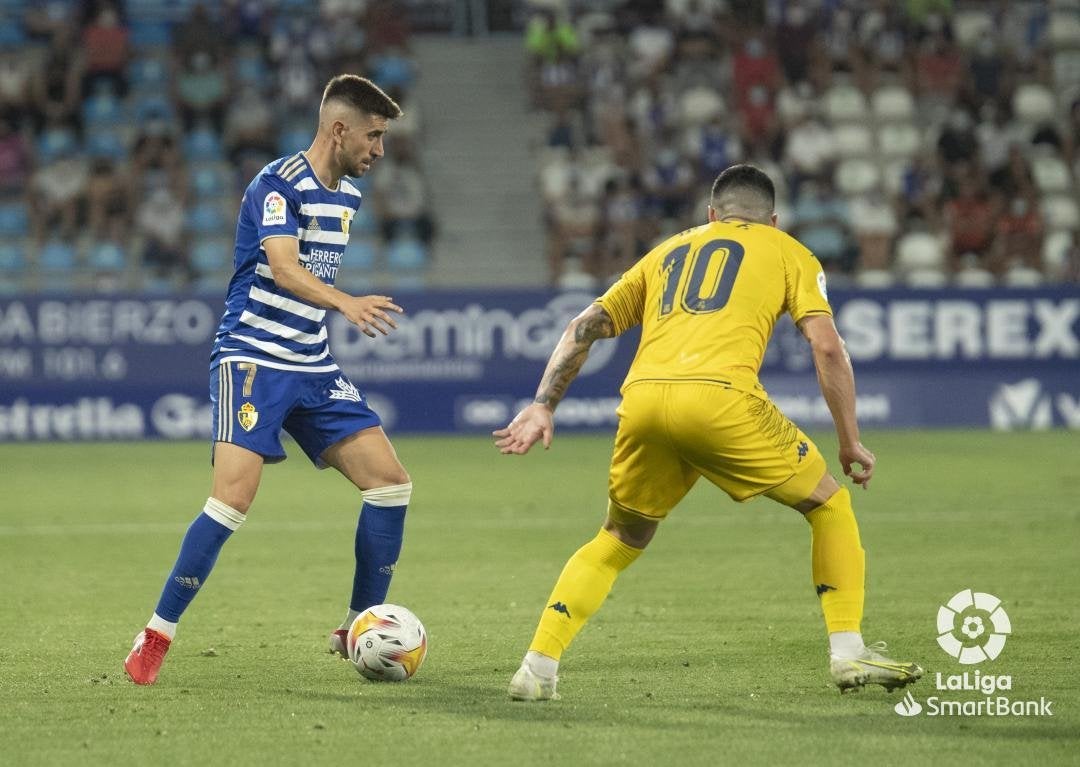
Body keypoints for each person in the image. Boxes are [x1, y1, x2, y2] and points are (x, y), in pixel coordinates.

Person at [494, 164, 923, 701]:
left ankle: (537, 668)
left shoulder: (667, 250)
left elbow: (582, 326)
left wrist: (542, 405)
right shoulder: (788, 250)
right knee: (828, 506)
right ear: (772, 218)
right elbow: (828, 346)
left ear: (712, 214)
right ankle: (848, 651)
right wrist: (850, 439)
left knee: (618, 539)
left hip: (644, 400)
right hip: (721, 400)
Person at [124, 75, 412, 685]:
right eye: (374, 135)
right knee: (232, 499)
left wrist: (332, 312)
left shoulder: (349, 196)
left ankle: (358, 625)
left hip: (312, 363)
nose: (379, 150)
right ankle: (156, 635)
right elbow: (282, 269)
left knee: (389, 484)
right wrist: (346, 302)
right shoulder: (276, 185)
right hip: (252, 358)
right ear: (340, 129)